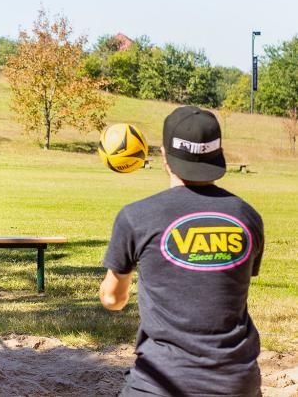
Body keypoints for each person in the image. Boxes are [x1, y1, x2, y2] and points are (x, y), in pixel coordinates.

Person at [99, 106, 264, 396]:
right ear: (217, 152)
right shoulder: (248, 216)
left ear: (164, 155)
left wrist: (114, 293)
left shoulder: (136, 216)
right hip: (238, 382)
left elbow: (113, 299)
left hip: (163, 383)